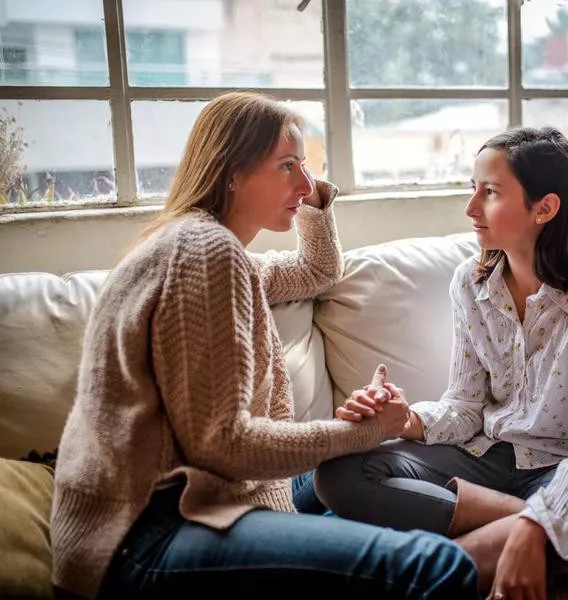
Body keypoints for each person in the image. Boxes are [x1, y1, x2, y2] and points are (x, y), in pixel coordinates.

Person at [50, 91, 479, 600]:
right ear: (231, 170)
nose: (306, 182)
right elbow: (225, 445)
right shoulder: (204, 254)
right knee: (438, 566)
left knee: (368, 465)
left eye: (305, 166)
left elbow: (317, 272)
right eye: (287, 166)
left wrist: (311, 200)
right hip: (147, 534)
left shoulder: (213, 250)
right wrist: (356, 432)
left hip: (204, 504)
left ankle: (522, 523)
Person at [316, 127, 568, 600]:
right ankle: (553, 542)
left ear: (544, 208)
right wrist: (406, 420)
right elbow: (466, 404)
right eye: (473, 189)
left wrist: (538, 522)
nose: (471, 208)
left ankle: (458, 563)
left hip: (560, 467)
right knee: (337, 473)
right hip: (481, 456)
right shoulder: (469, 283)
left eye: (489, 192)